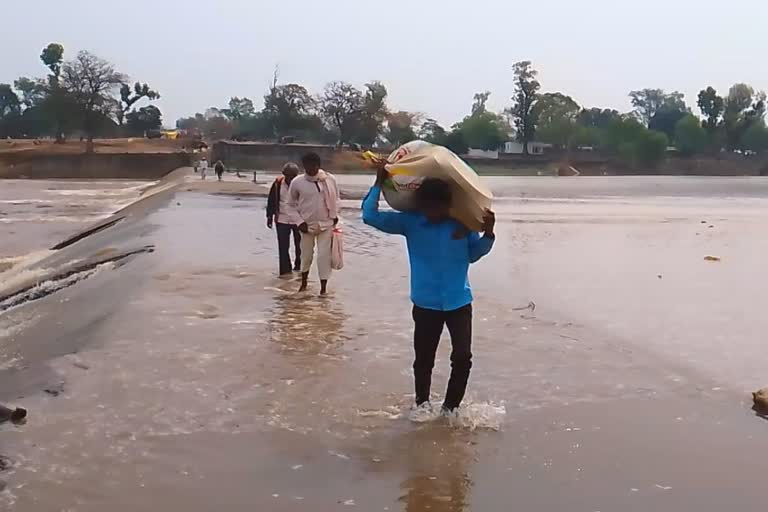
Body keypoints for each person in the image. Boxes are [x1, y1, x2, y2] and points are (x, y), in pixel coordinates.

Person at [362, 170, 495, 413]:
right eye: (428, 207)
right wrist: (378, 184)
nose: (432, 213)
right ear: (421, 204)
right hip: (425, 304)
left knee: (463, 358)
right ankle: (422, 405)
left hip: (459, 301)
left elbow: (473, 254)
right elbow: (370, 216)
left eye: (438, 207)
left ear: (447, 205)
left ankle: (450, 410)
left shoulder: (462, 223)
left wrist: (488, 234)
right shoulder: (410, 222)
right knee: (424, 360)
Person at [288, 152, 340, 295]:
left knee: (324, 256)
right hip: (306, 226)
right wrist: (299, 222)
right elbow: (290, 205)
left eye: (313, 166)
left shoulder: (330, 180)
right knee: (306, 256)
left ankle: (323, 289)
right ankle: (304, 283)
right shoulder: (297, 182)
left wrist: (335, 215)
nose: (310, 169)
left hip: (326, 224)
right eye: (307, 166)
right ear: (303, 167)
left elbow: (337, 199)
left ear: (318, 166)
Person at [266, 163, 303, 276]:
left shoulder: (301, 184)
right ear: (284, 175)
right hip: (281, 219)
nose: (290, 179)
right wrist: (269, 216)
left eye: (293, 176)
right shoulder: (277, 183)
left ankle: (299, 268)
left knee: (300, 246)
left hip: (299, 220)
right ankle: (285, 272)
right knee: (283, 246)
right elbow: (271, 200)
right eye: (288, 176)